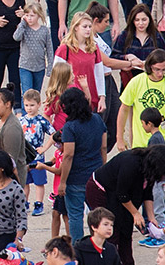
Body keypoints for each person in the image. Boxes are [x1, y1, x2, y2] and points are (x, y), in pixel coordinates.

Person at [92, 144, 165, 263]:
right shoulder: (131, 163)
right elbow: (122, 194)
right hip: (101, 191)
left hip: (121, 196)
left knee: (126, 231)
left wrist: (151, 218)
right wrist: (135, 213)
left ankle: (127, 261)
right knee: (111, 231)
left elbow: (147, 193)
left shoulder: (149, 171)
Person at [52, 87, 106, 243]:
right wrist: (103, 170)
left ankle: (78, 248)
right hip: (95, 175)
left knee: (75, 215)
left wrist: (62, 182)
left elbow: (68, 155)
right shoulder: (97, 119)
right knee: (97, 214)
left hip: (75, 178)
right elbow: (103, 147)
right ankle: (99, 243)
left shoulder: (70, 127)